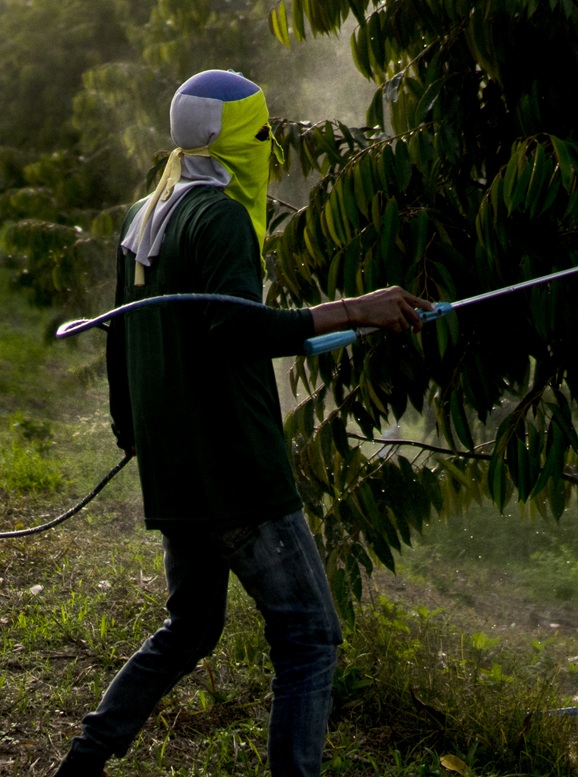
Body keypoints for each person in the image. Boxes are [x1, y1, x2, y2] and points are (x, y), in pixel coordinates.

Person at [53, 69, 433, 777]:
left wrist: (136, 435)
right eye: (258, 131)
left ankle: (83, 759)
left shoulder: (148, 212)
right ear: (228, 138)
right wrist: (358, 308)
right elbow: (234, 327)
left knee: (190, 627)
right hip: (237, 472)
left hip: (177, 474)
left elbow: (119, 337)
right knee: (310, 637)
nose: (267, 143)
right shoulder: (221, 214)